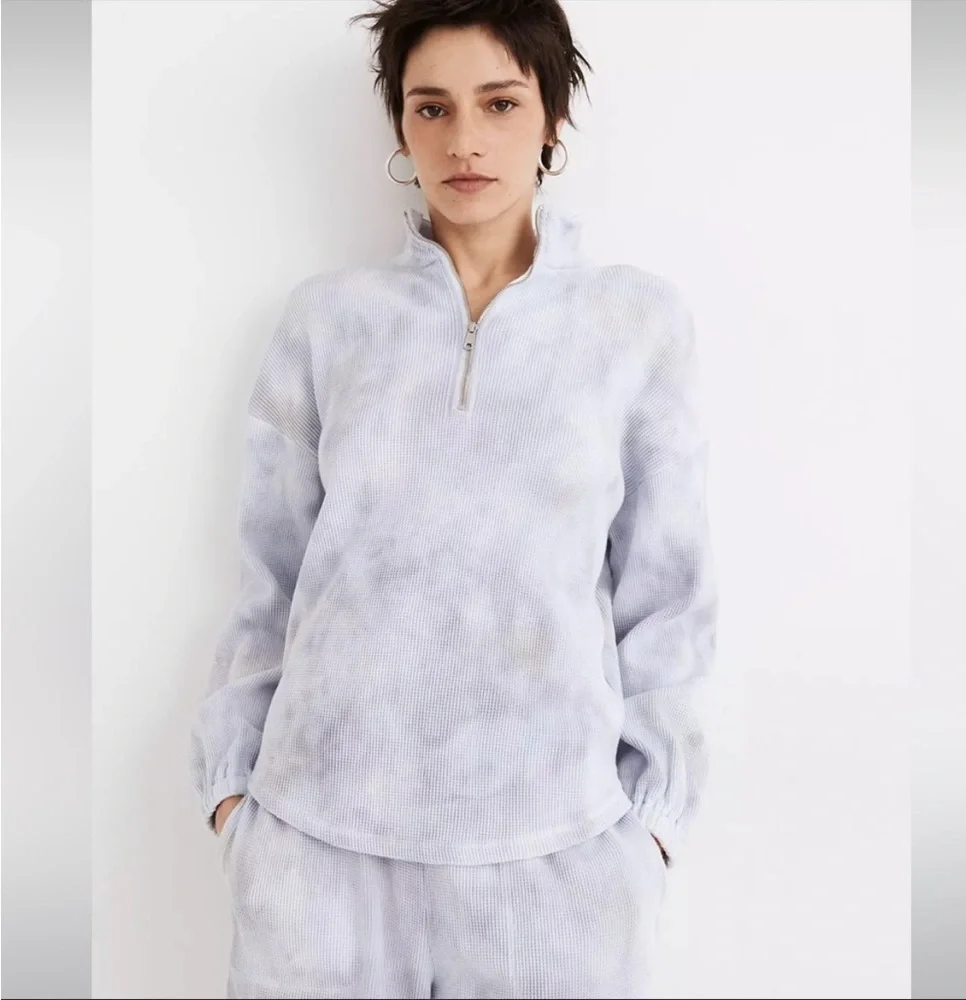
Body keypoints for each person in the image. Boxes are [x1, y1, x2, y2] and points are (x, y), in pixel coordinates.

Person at [189, 1, 718, 997]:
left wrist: (647, 828)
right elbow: (270, 583)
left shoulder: (633, 323)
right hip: (316, 852)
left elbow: (669, 598)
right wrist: (235, 803)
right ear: (400, 126)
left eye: (499, 103)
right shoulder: (327, 322)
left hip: (558, 859)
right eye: (431, 107)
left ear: (552, 117)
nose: (464, 140)